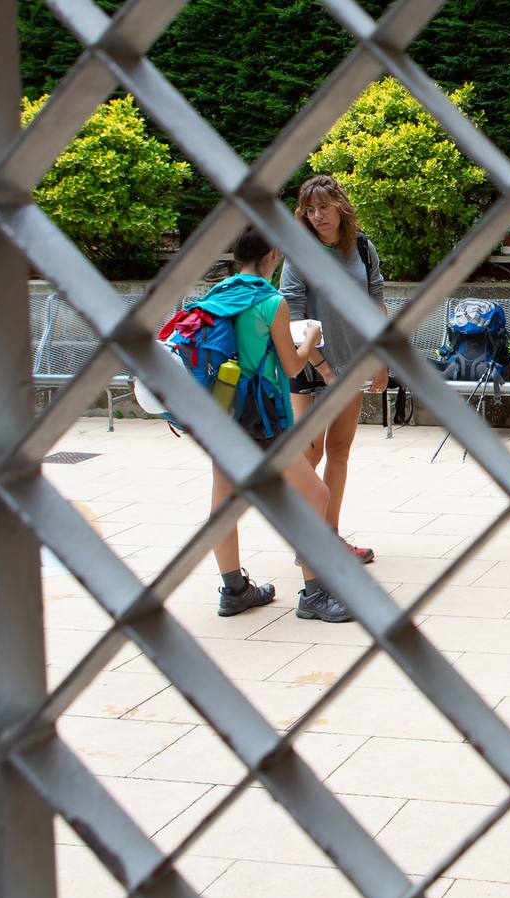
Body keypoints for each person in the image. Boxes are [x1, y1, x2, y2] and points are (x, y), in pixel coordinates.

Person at [206, 227, 353, 624]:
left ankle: (234, 590)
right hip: (263, 416)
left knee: (223, 503)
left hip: (221, 413)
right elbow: (292, 366)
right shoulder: (271, 301)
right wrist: (312, 337)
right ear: (273, 255)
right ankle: (314, 594)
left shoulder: (217, 295)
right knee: (314, 496)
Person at [280, 174, 388, 565]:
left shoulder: (362, 247)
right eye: (309, 210)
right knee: (308, 456)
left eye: (323, 207)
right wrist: (325, 370)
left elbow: (376, 303)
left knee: (339, 453)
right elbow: (292, 323)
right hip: (309, 374)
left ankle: (330, 536)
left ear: (340, 206)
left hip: (353, 365)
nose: (317, 216)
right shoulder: (300, 256)